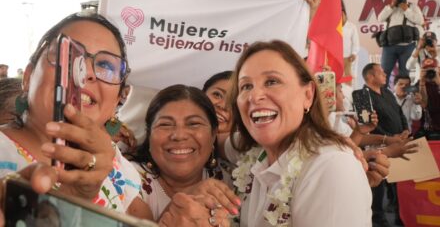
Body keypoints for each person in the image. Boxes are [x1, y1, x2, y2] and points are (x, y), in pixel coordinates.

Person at [0, 12, 150, 219]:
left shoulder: (117, 163)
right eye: (68, 55)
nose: (85, 72)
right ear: (28, 78)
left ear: (116, 102)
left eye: (105, 65)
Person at [228, 40, 372, 226]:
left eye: (272, 81)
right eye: (246, 86)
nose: (254, 96)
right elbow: (212, 141)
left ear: (308, 95)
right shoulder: (254, 153)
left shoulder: (331, 166)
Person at [130, 84, 238, 224]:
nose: (179, 135)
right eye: (165, 125)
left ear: (213, 134)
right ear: (149, 136)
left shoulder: (235, 180)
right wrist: (186, 198)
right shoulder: (127, 180)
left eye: (193, 124)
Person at [361, 63, 418, 227]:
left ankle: (399, 212)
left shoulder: (387, 92)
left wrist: (405, 131)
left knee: (398, 182)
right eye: (381, 72)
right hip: (376, 146)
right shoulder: (361, 95)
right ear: (370, 76)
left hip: (398, 142)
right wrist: (389, 138)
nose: (385, 74)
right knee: (378, 183)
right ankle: (377, 218)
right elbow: (367, 125)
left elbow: (399, 113)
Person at [377, 0, 424, 87]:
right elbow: (380, 18)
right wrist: (391, 6)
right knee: (384, 73)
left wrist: (406, 9)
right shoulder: (389, 7)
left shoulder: (413, 7)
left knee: (404, 74)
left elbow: (420, 21)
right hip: (389, 47)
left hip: (407, 46)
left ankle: (404, 98)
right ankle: (382, 97)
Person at [418, 61, 440, 140]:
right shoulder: (418, 84)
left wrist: (439, 83)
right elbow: (424, 104)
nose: (429, 72)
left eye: (432, 70)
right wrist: (422, 83)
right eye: (426, 70)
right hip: (427, 127)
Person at [342, 0, 360, 87]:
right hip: (336, 57)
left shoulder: (351, 27)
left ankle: (348, 93)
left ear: (345, 14)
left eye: (342, 14)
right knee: (338, 78)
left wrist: (354, 53)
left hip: (348, 57)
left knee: (348, 78)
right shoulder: (334, 27)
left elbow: (356, 43)